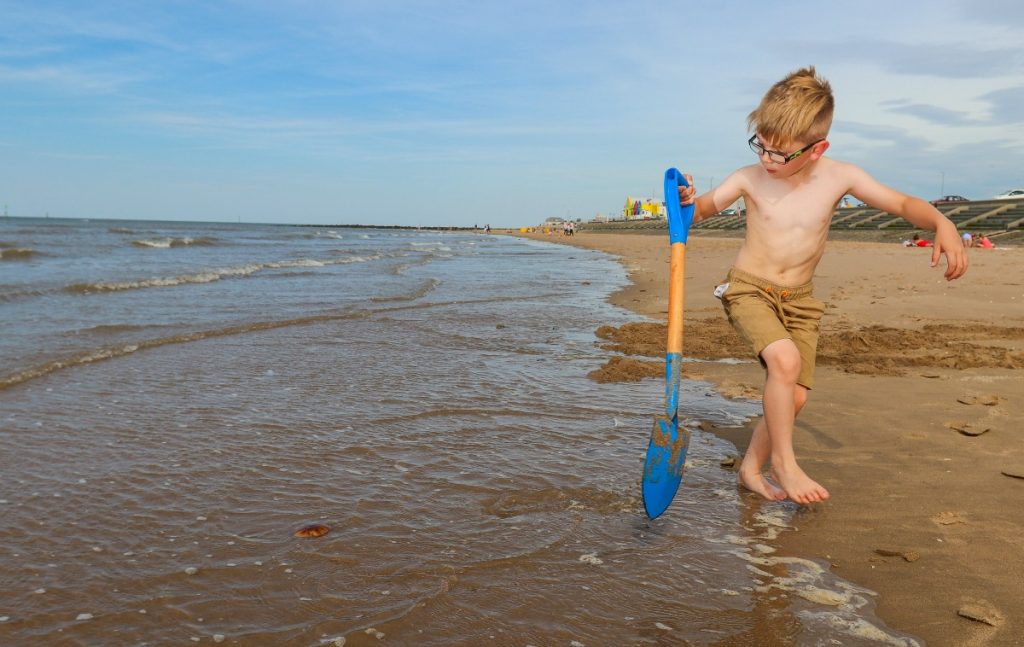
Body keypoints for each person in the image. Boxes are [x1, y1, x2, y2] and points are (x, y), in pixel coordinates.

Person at [677, 66, 967, 505]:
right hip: (749, 289)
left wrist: (940, 220)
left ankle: (751, 470)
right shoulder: (747, 178)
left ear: (818, 149)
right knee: (785, 361)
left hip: (801, 303)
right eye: (762, 147)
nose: (768, 160)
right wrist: (683, 201)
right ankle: (785, 465)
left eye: (781, 154)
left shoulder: (840, 177)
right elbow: (692, 216)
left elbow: (902, 203)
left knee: (793, 396)